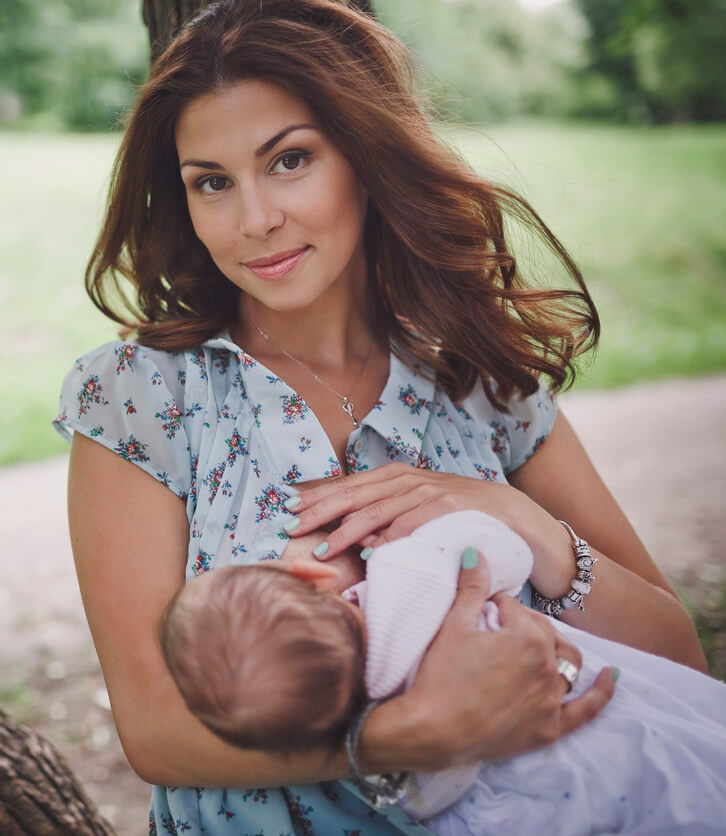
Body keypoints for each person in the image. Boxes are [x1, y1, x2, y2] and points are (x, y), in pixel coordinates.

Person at [53, 0, 709, 832]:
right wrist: (407, 736)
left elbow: (678, 656)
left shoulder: (478, 378)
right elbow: (153, 730)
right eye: (211, 183)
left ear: (365, 156)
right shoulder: (140, 395)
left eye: (289, 161)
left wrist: (524, 522)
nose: (254, 220)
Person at [160, 510, 726, 834]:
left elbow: (431, 801)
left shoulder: (388, 740)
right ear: (312, 578)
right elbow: (500, 549)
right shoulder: (404, 575)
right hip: (602, 725)